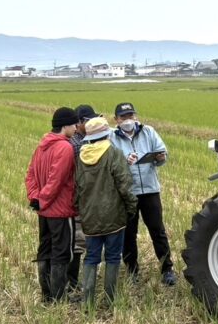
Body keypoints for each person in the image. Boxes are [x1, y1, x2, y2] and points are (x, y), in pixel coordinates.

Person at [109, 101, 177, 286]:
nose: (128, 120)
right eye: (123, 117)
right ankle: (132, 271)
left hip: (149, 189)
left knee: (158, 230)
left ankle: (167, 269)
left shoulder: (148, 132)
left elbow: (162, 153)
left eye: (131, 116)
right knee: (129, 234)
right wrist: (124, 161)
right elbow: (110, 163)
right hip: (127, 193)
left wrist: (161, 157)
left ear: (136, 116)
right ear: (116, 120)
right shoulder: (111, 138)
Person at [74, 115, 137, 306]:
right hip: (114, 216)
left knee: (91, 257)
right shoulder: (113, 153)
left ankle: (87, 301)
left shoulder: (81, 156)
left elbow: (78, 187)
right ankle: (110, 300)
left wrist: (81, 210)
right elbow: (124, 184)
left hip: (90, 217)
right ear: (106, 135)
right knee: (112, 257)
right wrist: (132, 206)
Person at [24, 106, 79, 303]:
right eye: (74, 124)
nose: (76, 128)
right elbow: (56, 180)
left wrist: (35, 198)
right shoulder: (65, 147)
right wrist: (43, 199)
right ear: (65, 126)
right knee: (62, 253)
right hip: (61, 211)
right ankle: (59, 296)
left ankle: (47, 294)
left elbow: (29, 175)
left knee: (45, 250)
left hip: (43, 212)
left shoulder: (41, 146)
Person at [66, 104, 99, 294]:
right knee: (78, 241)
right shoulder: (77, 144)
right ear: (79, 123)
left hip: (84, 198)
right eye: (88, 121)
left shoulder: (83, 140)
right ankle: (72, 281)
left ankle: (75, 279)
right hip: (79, 198)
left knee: (81, 240)